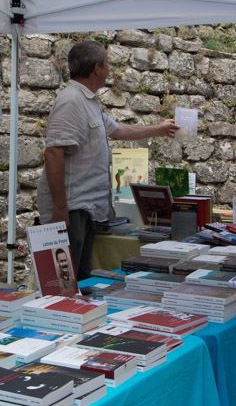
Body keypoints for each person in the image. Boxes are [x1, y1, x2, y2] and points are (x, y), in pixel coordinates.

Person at [37, 40, 179, 279]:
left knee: (79, 279)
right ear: (96, 68)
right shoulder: (71, 100)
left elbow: (117, 130)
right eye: (107, 62)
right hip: (72, 208)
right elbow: (53, 153)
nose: (110, 67)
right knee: (63, 282)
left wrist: (159, 129)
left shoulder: (88, 101)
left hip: (85, 208)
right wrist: (61, 207)